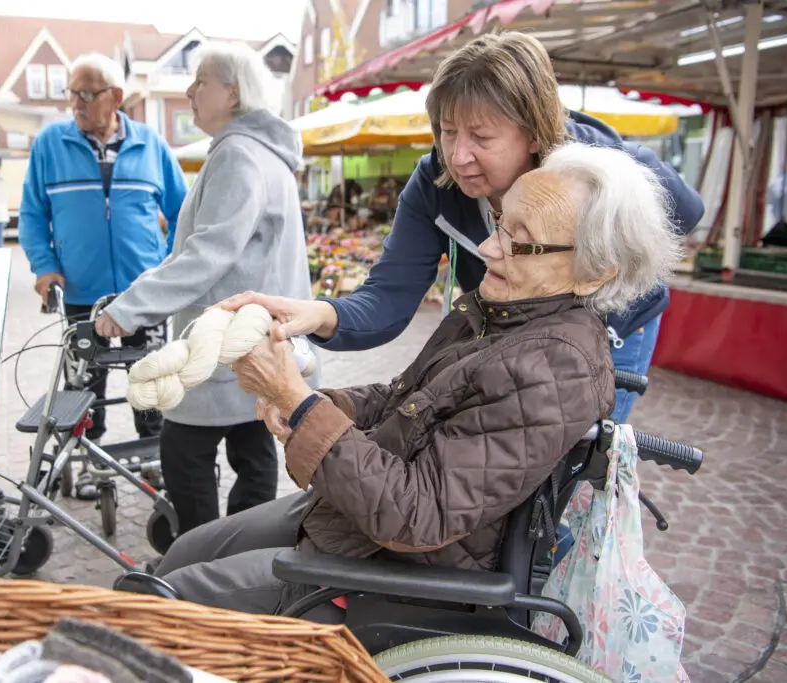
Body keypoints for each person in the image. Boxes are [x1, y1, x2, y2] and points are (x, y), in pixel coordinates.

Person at [144, 141, 682, 616]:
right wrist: (305, 403)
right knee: (183, 552)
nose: (490, 248)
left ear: (595, 269)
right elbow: (402, 402)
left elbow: (418, 516)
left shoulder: (552, 367)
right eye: (500, 224)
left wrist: (298, 399)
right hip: (358, 523)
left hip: (405, 576)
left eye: (522, 241)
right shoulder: (502, 313)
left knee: (159, 600)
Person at [226, 32, 705, 425]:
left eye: (482, 136)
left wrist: (601, 270)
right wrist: (314, 314)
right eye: (448, 131)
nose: (458, 156)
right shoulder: (436, 183)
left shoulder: (592, 165)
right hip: (517, 325)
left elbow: (686, 210)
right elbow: (388, 300)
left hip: (612, 323)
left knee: (575, 459)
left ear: (535, 131)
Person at [93, 42, 319, 534]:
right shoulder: (262, 154)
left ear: (233, 93)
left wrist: (132, 308)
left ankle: (202, 553)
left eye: (201, 82)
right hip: (253, 341)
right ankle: (238, 554)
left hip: (224, 342)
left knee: (185, 451)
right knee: (252, 449)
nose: (190, 91)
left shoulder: (239, 155)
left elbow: (207, 252)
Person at [18, 53, 188, 498]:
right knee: (82, 385)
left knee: (150, 379)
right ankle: (90, 462)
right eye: (71, 92)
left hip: (144, 292)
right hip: (80, 294)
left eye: (86, 93)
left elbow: (183, 213)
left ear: (115, 97)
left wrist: (168, 267)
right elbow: (33, 215)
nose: (76, 102)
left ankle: (155, 461)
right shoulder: (49, 144)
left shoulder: (151, 145)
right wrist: (45, 267)